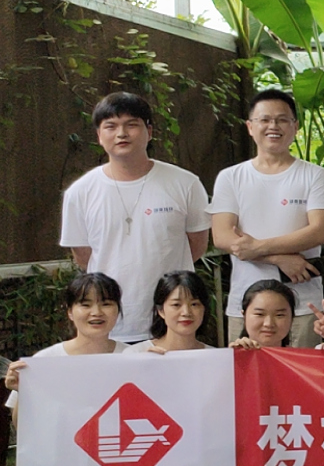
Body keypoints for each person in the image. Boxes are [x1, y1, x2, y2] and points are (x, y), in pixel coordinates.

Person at [58, 92, 211, 344]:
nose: (122, 134)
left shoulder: (185, 183)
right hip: (108, 324)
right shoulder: (80, 192)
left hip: (172, 324)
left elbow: (197, 245)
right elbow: (84, 257)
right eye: (111, 126)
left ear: (149, 131)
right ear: (99, 135)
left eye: (131, 125)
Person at [210, 89, 324, 349]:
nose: (273, 126)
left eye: (282, 120)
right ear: (250, 127)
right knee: (245, 371)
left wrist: (257, 247)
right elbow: (222, 236)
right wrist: (279, 259)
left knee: (299, 371)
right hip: (247, 305)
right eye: (265, 120)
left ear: (295, 127)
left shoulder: (314, 175)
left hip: (302, 303)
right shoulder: (231, 177)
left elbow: (319, 231)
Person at [3, 272, 126, 404]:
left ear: (118, 310)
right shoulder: (46, 361)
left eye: (106, 304)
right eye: (85, 305)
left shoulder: (132, 356)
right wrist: (22, 391)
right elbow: (20, 417)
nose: (96, 312)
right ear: (70, 312)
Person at [126, 271, 212, 354]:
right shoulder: (135, 353)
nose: (186, 312)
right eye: (176, 304)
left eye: (194, 304)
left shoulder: (213, 356)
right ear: (161, 310)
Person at [230, 280, 299, 349]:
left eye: (279, 315)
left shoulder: (297, 356)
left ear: (292, 318)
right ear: (244, 316)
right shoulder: (231, 354)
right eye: (259, 314)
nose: (268, 324)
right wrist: (233, 353)